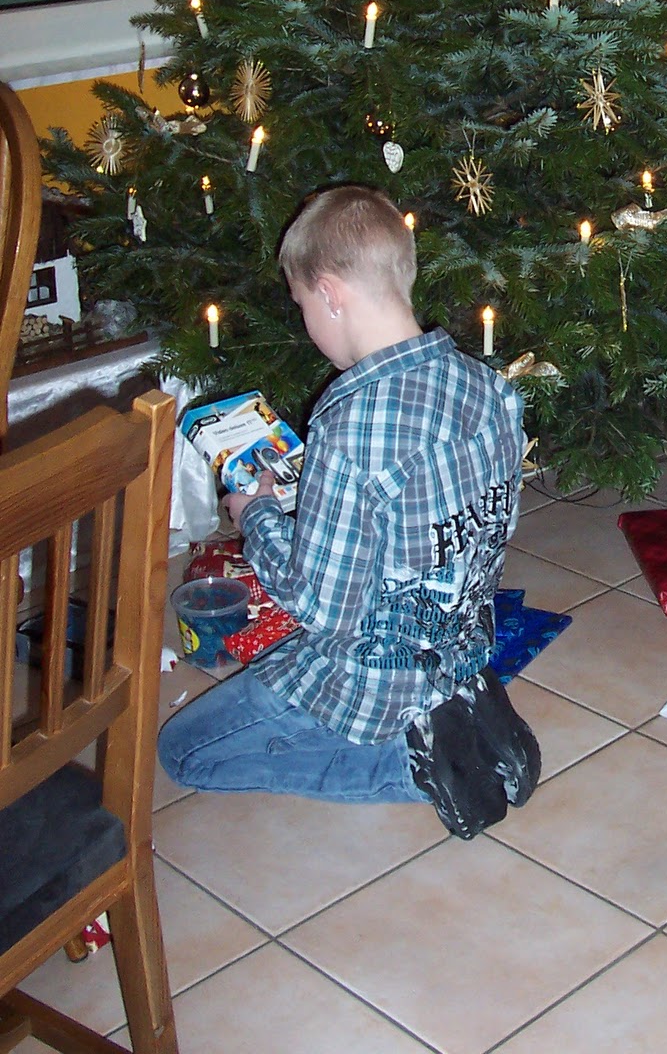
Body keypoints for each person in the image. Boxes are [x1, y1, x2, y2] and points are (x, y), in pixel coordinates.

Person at [159, 185, 538, 834]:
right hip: (456, 647)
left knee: (182, 754)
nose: (308, 318)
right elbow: (466, 525)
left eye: (304, 302)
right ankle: (454, 711)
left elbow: (319, 607)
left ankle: (409, 766)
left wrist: (257, 517)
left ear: (331, 292)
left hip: (365, 677)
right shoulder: (490, 387)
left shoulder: (352, 419)